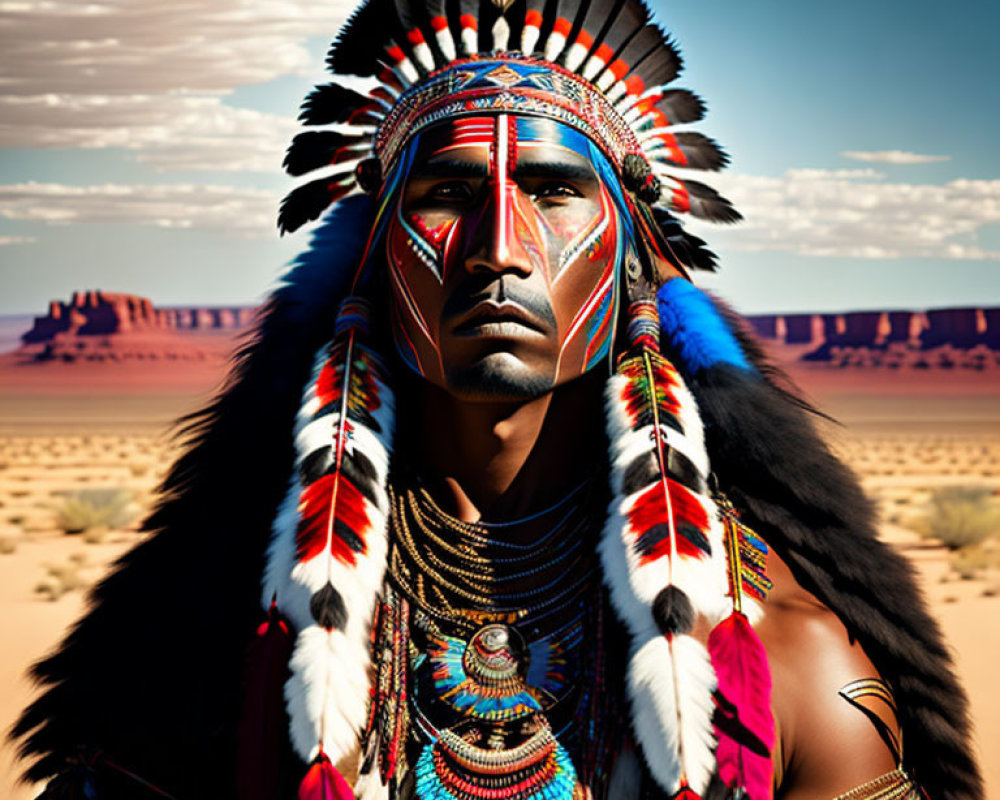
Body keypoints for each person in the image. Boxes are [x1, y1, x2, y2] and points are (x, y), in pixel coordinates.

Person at [12, 0, 982, 799]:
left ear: (632, 262)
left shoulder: (779, 654)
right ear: (374, 259)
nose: (498, 248)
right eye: (445, 191)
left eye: (557, 192)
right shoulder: (213, 644)